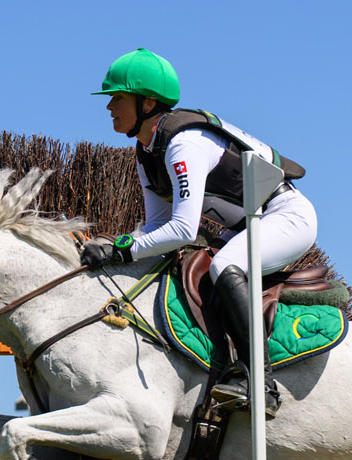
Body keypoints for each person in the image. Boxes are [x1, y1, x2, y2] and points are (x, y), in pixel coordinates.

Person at [82, 48, 318, 418]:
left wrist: (122, 251)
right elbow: (156, 226)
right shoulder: (146, 152)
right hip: (245, 227)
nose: (109, 106)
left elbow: (182, 229)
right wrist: (117, 245)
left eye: (118, 98)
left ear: (147, 103)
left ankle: (261, 383)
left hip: (287, 216)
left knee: (224, 266)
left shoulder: (183, 145)